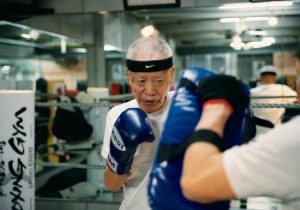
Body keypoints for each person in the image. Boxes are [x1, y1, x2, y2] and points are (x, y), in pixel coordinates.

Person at [170, 73, 300, 210]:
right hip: (270, 138)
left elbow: (195, 181)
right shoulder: (284, 91)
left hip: (263, 141)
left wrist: (216, 107)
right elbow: (295, 101)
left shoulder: (254, 93)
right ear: (273, 77)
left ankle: (243, 202)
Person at [101, 36, 175, 210]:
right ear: (128, 75)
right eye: (141, 81)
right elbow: (112, 185)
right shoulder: (117, 115)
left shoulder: (187, 108)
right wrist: (122, 155)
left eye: (158, 81)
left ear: (171, 74)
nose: (149, 91)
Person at [250, 65, 297, 134]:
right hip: (276, 135)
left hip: (255, 137)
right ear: (275, 78)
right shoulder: (282, 89)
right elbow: (297, 100)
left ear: (260, 78)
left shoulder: (251, 92)